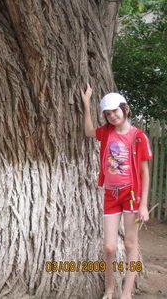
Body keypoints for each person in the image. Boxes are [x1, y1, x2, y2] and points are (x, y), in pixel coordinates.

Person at [81, 84, 152, 299]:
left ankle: (126, 293)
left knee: (131, 243)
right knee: (109, 248)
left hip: (132, 195)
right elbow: (88, 132)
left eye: (115, 111)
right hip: (111, 194)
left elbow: (145, 172)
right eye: (108, 113)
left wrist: (143, 205)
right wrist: (86, 104)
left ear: (125, 109)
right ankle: (109, 288)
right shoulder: (106, 133)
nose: (112, 116)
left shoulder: (138, 136)